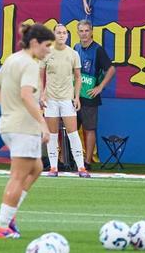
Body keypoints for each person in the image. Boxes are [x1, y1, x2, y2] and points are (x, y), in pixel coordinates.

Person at [0, 23, 55, 240]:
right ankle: (3, 226)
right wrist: (43, 123)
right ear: (34, 43)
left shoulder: (12, 59)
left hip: (10, 124)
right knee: (18, 176)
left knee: (35, 168)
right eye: (47, 45)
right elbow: (26, 95)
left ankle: (10, 215)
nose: (48, 50)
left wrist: (8, 108)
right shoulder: (30, 64)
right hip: (23, 127)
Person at [41, 24, 89, 178]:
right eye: (58, 33)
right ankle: (53, 167)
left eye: (64, 33)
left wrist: (76, 97)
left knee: (73, 133)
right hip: (50, 100)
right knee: (52, 134)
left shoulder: (73, 54)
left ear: (67, 35)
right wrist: (41, 95)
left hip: (67, 99)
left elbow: (78, 77)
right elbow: (40, 76)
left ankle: (81, 167)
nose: (61, 35)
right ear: (53, 35)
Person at [74, 20, 115, 166]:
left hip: (89, 96)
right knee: (71, 130)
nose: (84, 34)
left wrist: (100, 87)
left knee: (89, 129)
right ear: (77, 32)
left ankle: (87, 161)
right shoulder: (76, 47)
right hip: (75, 96)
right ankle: (70, 159)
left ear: (91, 32)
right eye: (81, 31)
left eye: (87, 31)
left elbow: (111, 69)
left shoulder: (98, 49)